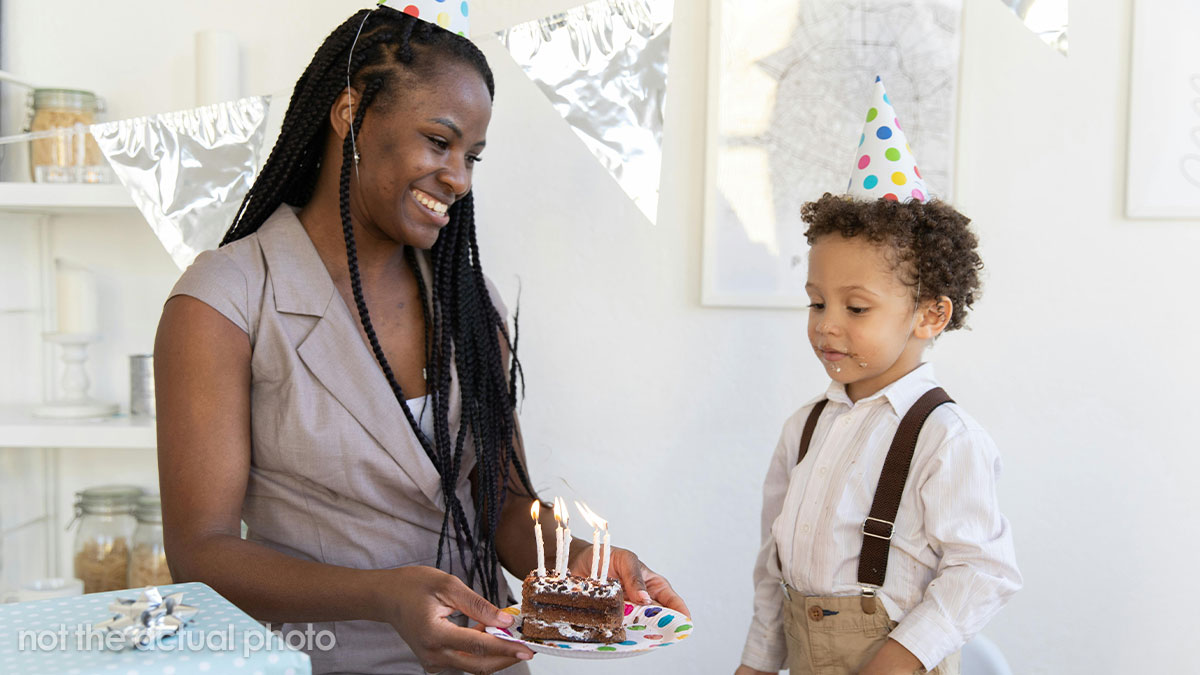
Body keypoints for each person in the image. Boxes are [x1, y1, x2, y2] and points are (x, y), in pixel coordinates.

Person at [153, 4, 687, 674]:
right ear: (350, 112)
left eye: (472, 156)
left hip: (486, 660)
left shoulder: (466, 302)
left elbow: (503, 502)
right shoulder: (225, 300)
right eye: (439, 142)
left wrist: (575, 560)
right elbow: (200, 551)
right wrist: (383, 596)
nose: (460, 178)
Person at [735, 79, 1021, 675]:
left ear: (929, 314)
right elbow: (774, 564)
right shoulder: (805, 428)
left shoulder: (947, 439)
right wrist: (759, 662)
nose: (827, 326)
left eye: (855, 308)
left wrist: (898, 656)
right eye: (817, 303)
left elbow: (984, 569)